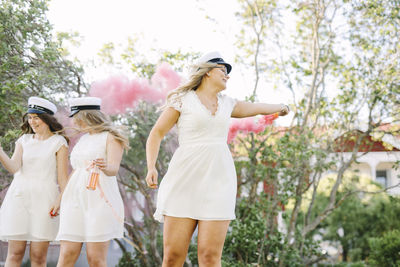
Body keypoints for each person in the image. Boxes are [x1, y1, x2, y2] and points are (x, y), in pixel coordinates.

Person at [145, 51, 289, 266]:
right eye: (223, 70)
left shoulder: (228, 104)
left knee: (210, 257)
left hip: (219, 183)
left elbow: (256, 106)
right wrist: (151, 167)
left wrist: (281, 107)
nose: (227, 75)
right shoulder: (182, 100)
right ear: (207, 72)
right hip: (185, 182)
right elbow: (156, 133)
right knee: (173, 256)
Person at [56, 96, 128, 267]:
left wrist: (104, 167)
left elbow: (113, 169)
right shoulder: (83, 139)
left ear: (86, 116)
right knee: (67, 253)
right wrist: (60, 199)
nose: (74, 122)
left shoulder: (111, 137)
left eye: (76, 118)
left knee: (95, 258)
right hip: (74, 200)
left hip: (98, 201)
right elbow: (76, 170)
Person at [0, 97, 69, 267]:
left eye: (36, 117)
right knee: (15, 254)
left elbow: (63, 179)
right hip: (19, 199)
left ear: (47, 119)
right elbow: (14, 167)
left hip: (44, 202)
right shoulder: (23, 140)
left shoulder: (59, 143)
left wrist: (59, 202)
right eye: (30, 117)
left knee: (38, 257)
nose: (32, 122)